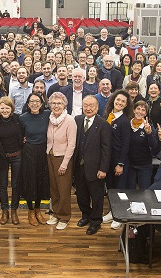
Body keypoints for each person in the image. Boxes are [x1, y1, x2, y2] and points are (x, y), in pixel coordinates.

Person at [74, 95, 111, 235]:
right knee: (81, 195)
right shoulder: (77, 120)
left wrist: (103, 169)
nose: (88, 108)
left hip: (96, 169)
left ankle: (96, 221)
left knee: (96, 197)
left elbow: (106, 149)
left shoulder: (103, 124)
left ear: (97, 107)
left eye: (91, 106)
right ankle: (86, 216)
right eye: (85, 105)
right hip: (78, 167)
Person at [45, 91, 77, 231]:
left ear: (64, 105)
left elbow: (72, 144)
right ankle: (56, 213)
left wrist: (64, 164)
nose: (56, 105)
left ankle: (65, 216)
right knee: (54, 188)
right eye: (53, 103)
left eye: (59, 103)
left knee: (64, 189)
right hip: (50, 155)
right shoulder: (50, 118)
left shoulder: (69, 120)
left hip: (63, 158)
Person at [101, 90, 132, 230]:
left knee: (119, 189)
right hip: (108, 158)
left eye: (123, 102)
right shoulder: (108, 116)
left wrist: (120, 164)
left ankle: (119, 216)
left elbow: (126, 144)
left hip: (119, 160)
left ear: (126, 105)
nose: (119, 103)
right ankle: (111, 212)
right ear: (113, 100)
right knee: (111, 188)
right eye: (118, 100)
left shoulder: (124, 121)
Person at [18, 93, 51, 226]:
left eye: (37, 101)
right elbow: (20, 136)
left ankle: (38, 210)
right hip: (29, 152)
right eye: (32, 101)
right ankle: (30, 211)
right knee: (30, 182)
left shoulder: (47, 115)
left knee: (40, 182)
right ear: (28, 103)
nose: (35, 104)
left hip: (43, 152)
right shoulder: (22, 118)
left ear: (42, 103)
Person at [0, 97, 24, 226]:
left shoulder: (17, 119)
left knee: (16, 184)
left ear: (12, 109)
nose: (5, 111)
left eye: (7, 108)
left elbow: (24, 132)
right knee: (3, 184)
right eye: (2, 108)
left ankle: (14, 211)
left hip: (17, 156)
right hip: (2, 157)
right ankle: (4, 211)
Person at [126, 101, 158, 190]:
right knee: (130, 192)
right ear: (133, 110)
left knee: (144, 192)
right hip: (129, 165)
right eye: (138, 109)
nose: (140, 112)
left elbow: (155, 147)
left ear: (146, 113)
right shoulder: (127, 124)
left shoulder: (149, 126)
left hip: (145, 165)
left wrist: (149, 134)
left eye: (143, 110)